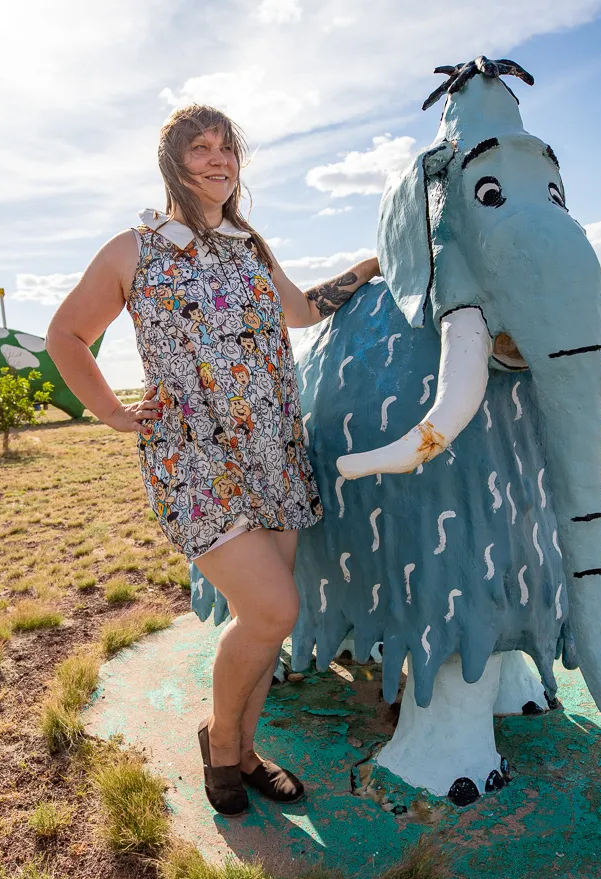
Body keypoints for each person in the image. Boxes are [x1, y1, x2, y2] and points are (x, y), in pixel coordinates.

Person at [46, 104, 379, 816]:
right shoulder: (134, 250)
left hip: (276, 454)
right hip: (196, 462)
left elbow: (301, 309)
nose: (219, 159)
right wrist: (111, 411)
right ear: (172, 161)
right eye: (201, 148)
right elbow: (66, 334)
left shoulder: (249, 245)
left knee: (264, 624)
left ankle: (246, 750)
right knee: (274, 609)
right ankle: (222, 741)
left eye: (228, 149)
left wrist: (375, 262)